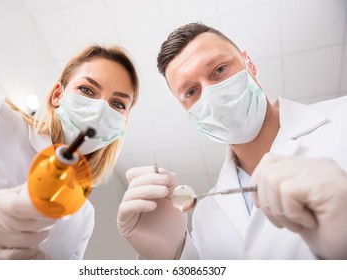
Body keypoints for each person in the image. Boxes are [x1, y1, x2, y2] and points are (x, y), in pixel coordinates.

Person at [117, 22, 347, 259]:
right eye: (191, 92)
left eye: (219, 70)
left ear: (251, 65)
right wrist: (171, 257)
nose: (211, 93)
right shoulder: (206, 215)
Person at [0, 44, 139, 260]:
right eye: (87, 90)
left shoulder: (84, 216)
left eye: (117, 104)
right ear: (57, 95)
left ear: (122, 125)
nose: (100, 111)